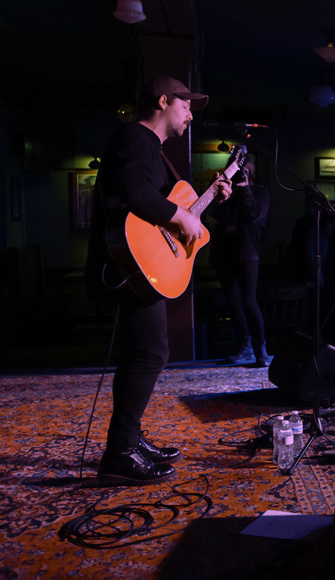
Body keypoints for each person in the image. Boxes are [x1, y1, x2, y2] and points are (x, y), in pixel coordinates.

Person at [85, 76, 230, 485]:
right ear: (163, 101)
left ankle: (128, 439)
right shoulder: (134, 138)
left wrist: (206, 200)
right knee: (150, 354)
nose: (190, 114)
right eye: (186, 105)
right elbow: (135, 193)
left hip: (139, 266)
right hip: (129, 265)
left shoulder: (151, 150)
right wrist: (182, 216)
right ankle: (120, 453)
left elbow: (174, 206)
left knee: (140, 353)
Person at [207, 156, 272, 365]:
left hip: (247, 252)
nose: (243, 167)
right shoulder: (226, 192)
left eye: (248, 163)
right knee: (233, 302)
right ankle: (245, 347)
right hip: (224, 252)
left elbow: (254, 216)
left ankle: (260, 347)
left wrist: (244, 189)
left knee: (248, 300)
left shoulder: (260, 192)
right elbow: (211, 216)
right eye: (238, 164)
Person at [290, 194, 335, 346]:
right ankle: (329, 339)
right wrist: (318, 274)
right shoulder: (317, 230)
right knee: (325, 307)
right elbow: (311, 253)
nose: (332, 214)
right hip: (324, 273)